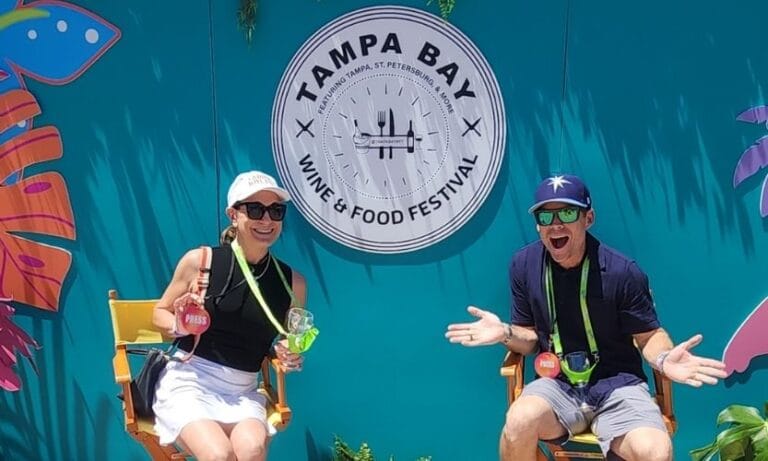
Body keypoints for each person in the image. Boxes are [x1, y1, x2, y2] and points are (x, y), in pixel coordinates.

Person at [445, 174, 727, 461]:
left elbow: (648, 335)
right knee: (518, 422)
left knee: (655, 451)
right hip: (556, 385)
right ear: (538, 225)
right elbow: (529, 339)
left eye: (567, 213)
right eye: (546, 216)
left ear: (588, 218)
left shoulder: (622, 271)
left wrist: (665, 359)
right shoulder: (523, 265)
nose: (555, 224)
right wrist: (505, 332)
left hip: (619, 386)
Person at [152, 170, 306, 461]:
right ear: (233, 215)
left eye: (276, 211)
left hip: (244, 389)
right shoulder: (201, 262)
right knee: (219, 456)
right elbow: (158, 312)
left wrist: (289, 353)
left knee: (251, 451)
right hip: (190, 382)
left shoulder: (292, 282)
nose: (266, 220)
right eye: (255, 209)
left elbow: (290, 341)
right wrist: (180, 323)